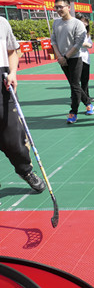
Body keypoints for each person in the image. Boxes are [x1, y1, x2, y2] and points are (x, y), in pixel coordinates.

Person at [0, 16, 46, 193]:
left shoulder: (2, 22)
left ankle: (25, 170)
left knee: (14, 137)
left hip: (3, 82)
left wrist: (13, 73)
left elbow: (13, 51)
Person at [50, 0, 94, 124]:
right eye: (56, 7)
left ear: (68, 7)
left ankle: (73, 112)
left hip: (75, 58)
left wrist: (66, 57)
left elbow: (78, 43)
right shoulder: (56, 23)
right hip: (62, 59)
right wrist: (59, 56)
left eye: (60, 7)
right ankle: (88, 103)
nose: (58, 10)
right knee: (74, 85)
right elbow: (53, 40)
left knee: (74, 85)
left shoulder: (77, 23)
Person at [75, 13, 93, 101]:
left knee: (85, 79)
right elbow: (78, 43)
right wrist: (85, 44)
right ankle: (77, 97)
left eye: (86, 22)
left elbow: (90, 44)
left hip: (86, 58)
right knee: (76, 80)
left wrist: (86, 44)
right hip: (77, 57)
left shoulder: (87, 33)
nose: (85, 24)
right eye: (83, 21)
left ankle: (86, 96)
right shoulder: (76, 31)